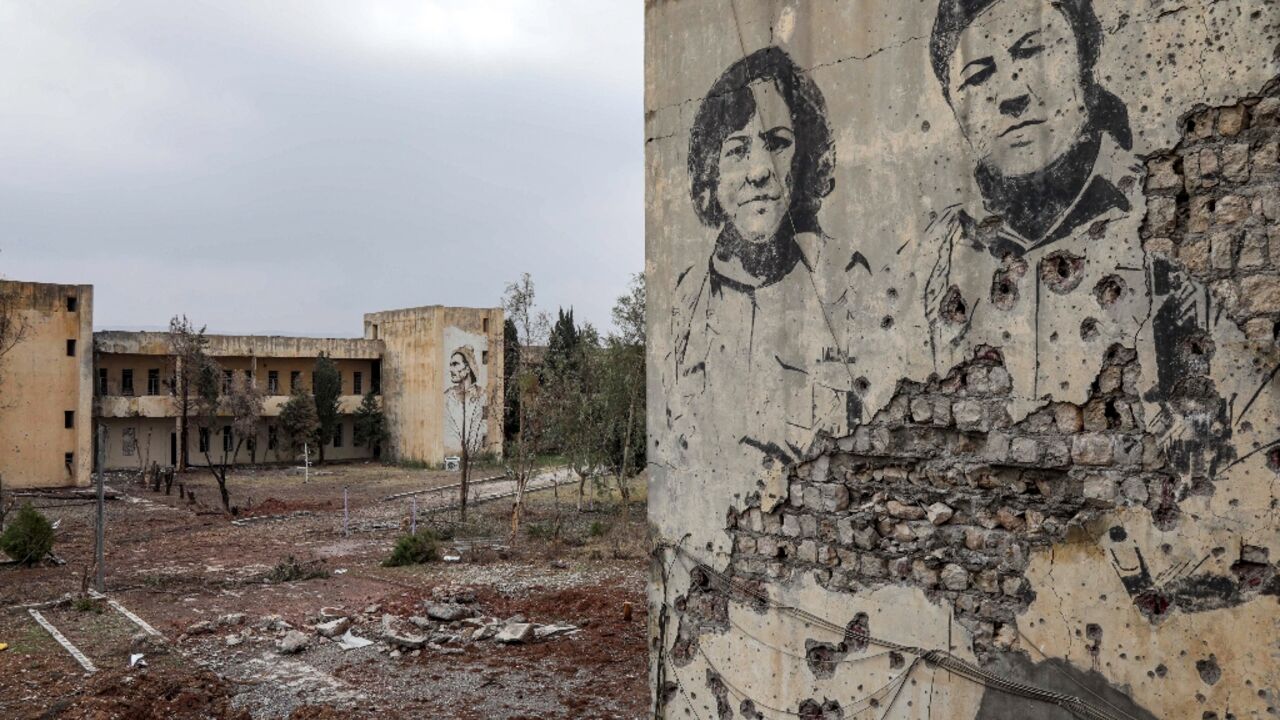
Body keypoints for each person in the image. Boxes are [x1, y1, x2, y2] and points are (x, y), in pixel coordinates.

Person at [921, 0, 1146, 398]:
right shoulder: (940, 253)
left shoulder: (1150, 207)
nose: (1012, 95)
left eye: (1033, 50)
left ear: (1086, 55)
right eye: (977, 76)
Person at [668, 46, 864, 470]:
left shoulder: (846, 284)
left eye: (777, 143)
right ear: (711, 172)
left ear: (805, 158)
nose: (759, 170)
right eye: (737, 149)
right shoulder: (686, 298)